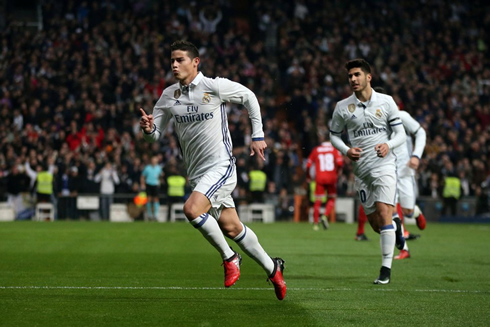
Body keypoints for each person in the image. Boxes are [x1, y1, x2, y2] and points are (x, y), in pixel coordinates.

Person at [139, 40, 286, 300]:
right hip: (197, 174)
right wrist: (149, 129)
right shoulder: (168, 95)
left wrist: (258, 135)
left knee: (191, 210)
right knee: (232, 227)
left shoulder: (214, 86)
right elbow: (155, 136)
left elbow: (249, 97)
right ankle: (273, 269)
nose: (174, 64)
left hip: (221, 166)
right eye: (172, 60)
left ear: (196, 62)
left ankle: (230, 257)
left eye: (180, 59)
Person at [329, 59, 407, 284]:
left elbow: (400, 134)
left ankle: (385, 271)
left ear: (368, 77)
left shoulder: (387, 102)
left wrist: (388, 145)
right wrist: (346, 149)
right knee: (376, 224)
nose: (353, 79)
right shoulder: (342, 107)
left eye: (357, 75)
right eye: (350, 76)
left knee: (384, 213)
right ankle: (396, 227)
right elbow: (334, 135)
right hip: (361, 172)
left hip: (384, 166)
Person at [355, 86, 428, 260]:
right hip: (386, 172)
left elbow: (421, 132)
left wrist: (416, 156)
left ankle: (415, 213)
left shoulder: (400, 116)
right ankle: (404, 248)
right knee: (391, 211)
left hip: (404, 171)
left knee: (408, 210)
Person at [306, 132, 343, 230]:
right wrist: (338, 172)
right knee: (332, 198)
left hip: (320, 177)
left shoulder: (316, 150)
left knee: (318, 200)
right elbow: (340, 163)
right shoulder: (335, 150)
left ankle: (315, 224)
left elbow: (308, 165)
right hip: (331, 177)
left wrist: (308, 176)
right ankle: (325, 215)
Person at [141, 156, 163, 221]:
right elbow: (143, 176)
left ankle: (155, 215)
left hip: (155, 185)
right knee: (149, 199)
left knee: (156, 199)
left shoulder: (159, 168)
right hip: (148, 184)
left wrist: (160, 181)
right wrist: (143, 184)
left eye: (155, 160)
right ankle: (149, 215)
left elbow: (161, 176)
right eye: (153, 160)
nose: (153, 161)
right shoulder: (147, 168)